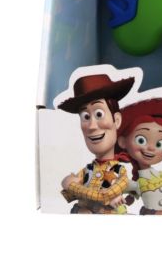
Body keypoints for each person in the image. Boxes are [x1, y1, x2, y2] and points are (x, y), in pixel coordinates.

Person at [57, 73, 135, 214]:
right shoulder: (86, 171)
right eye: (85, 116)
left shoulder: (120, 171)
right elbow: (68, 196)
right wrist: (67, 185)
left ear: (116, 120)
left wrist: (70, 184)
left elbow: (103, 196)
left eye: (99, 114)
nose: (92, 126)